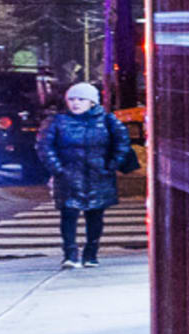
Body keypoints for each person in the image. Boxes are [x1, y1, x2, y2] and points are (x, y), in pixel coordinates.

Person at [37, 81, 134, 268]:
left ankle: (91, 253)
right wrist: (58, 169)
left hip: (99, 176)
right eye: (72, 99)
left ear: (92, 102)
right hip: (68, 176)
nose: (76, 103)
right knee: (68, 215)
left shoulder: (108, 121)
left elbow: (122, 144)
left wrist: (111, 165)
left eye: (81, 99)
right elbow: (44, 147)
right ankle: (70, 254)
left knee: (95, 216)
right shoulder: (57, 122)